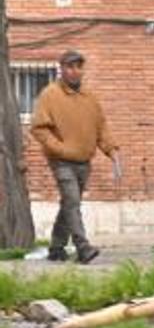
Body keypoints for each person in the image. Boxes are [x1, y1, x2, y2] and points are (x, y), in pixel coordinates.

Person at [30, 50, 120, 264]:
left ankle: (56, 248)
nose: (74, 71)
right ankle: (83, 246)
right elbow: (39, 128)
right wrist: (59, 148)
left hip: (83, 160)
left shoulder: (90, 98)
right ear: (61, 69)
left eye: (79, 67)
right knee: (72, 201)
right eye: (70, 67)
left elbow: (102, 128)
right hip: (61, 161)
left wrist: (112, 151)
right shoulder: (50, 95)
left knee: (69, 203)